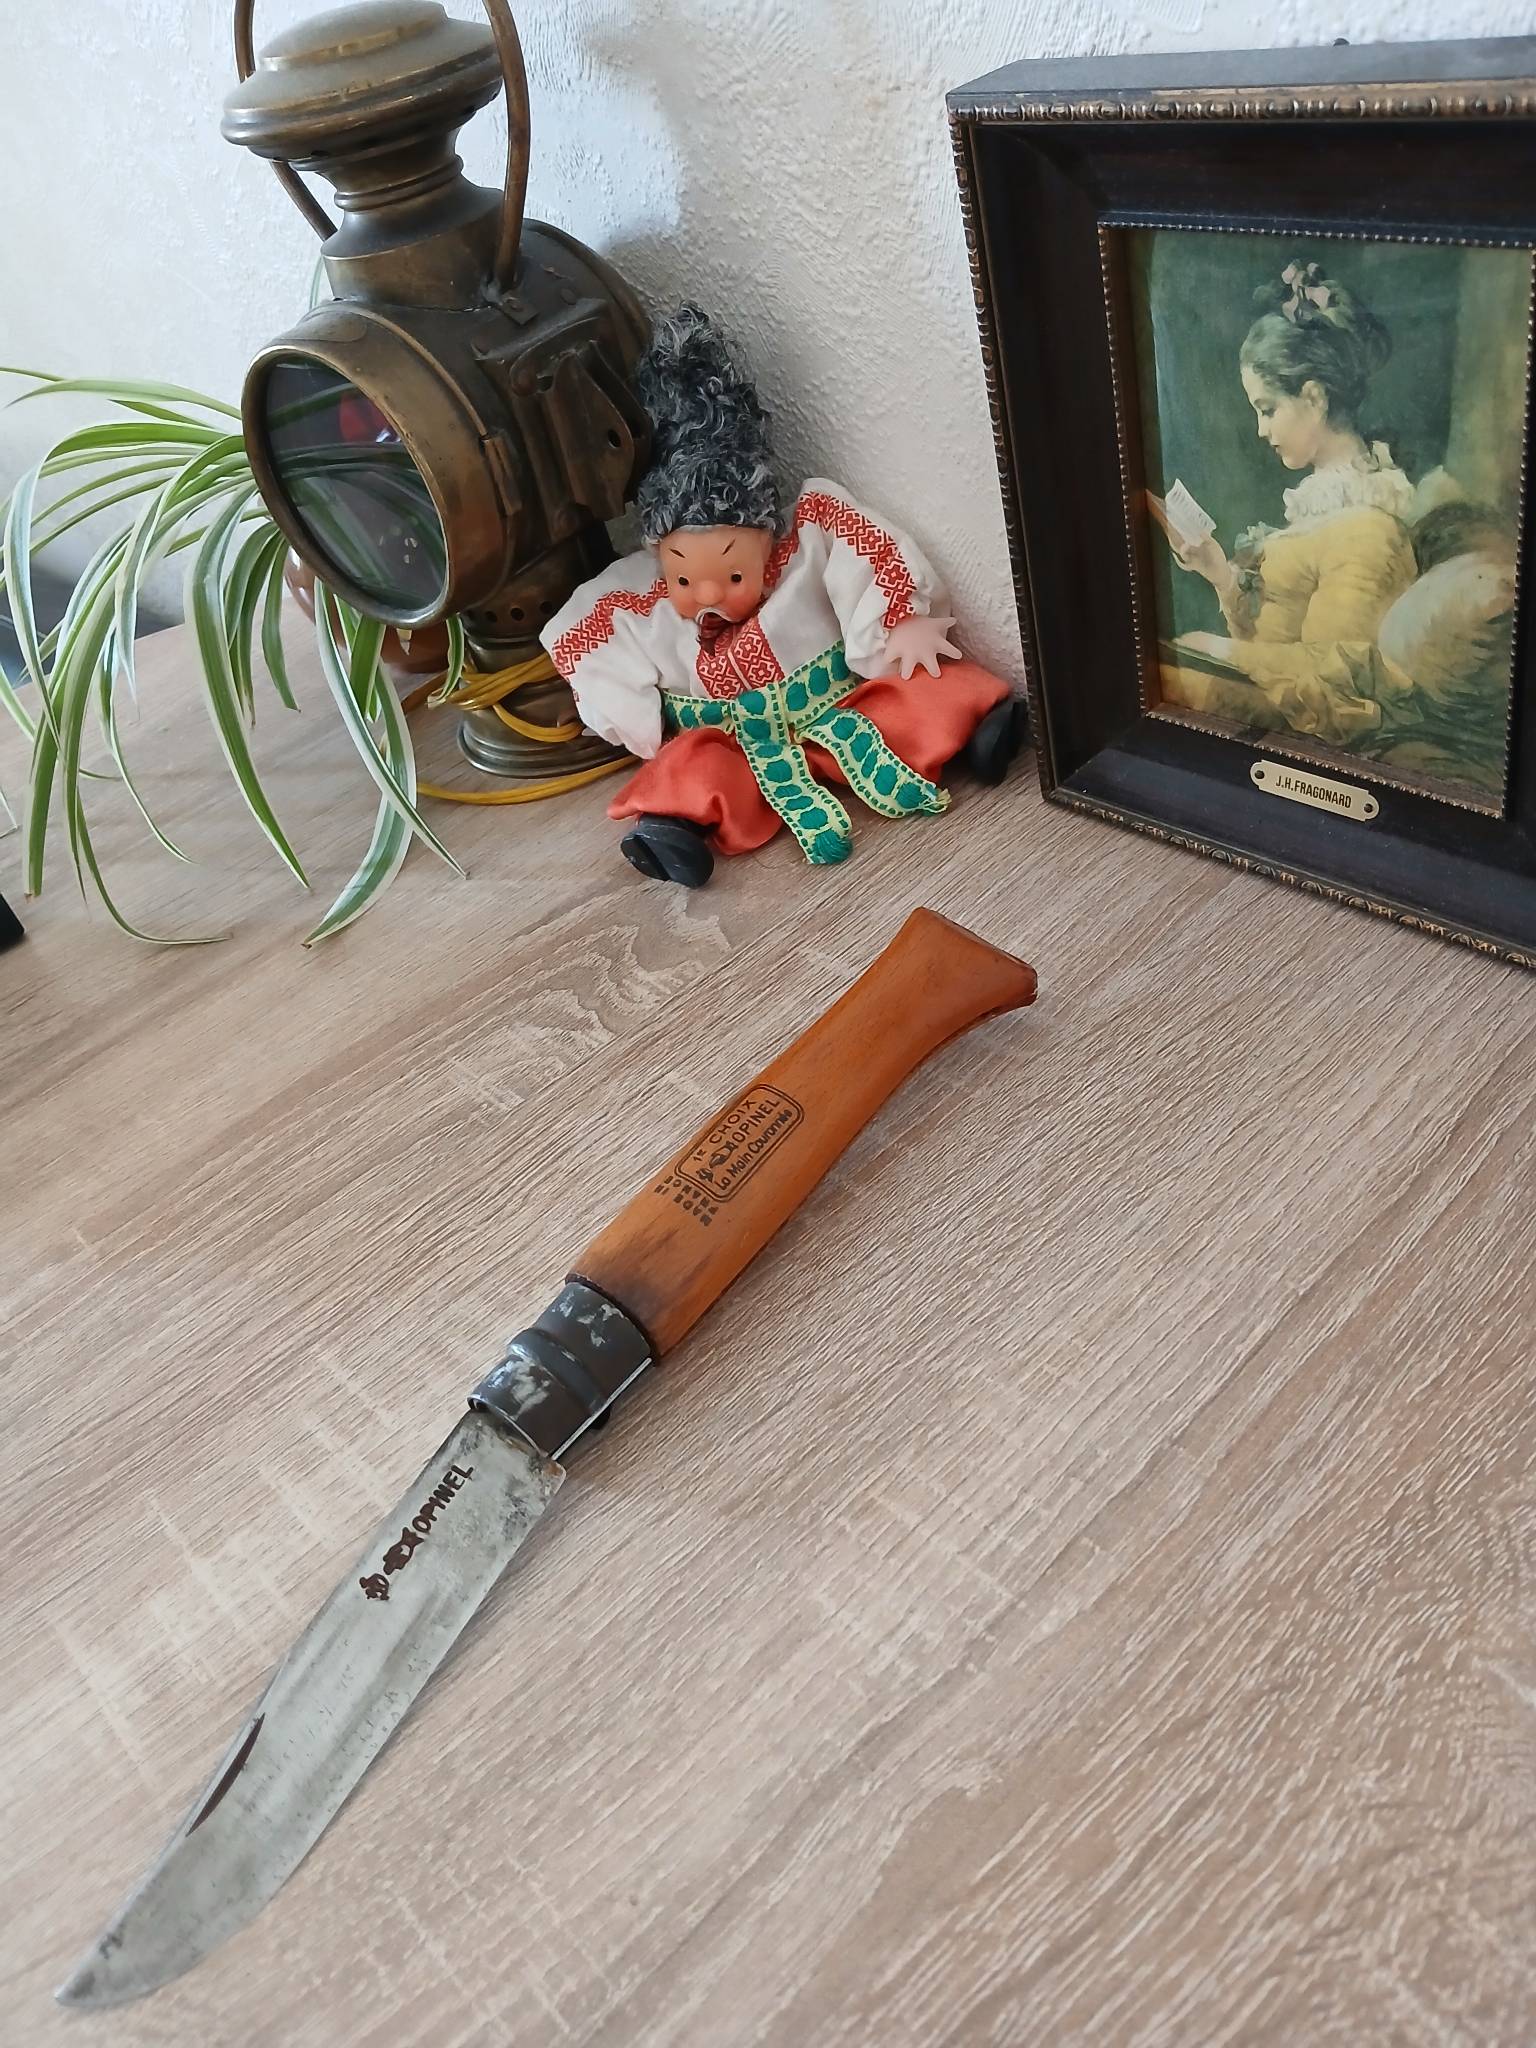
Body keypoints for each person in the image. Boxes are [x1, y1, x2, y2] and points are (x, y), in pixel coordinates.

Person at [542, 306, 1024, 887]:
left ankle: (981, 728)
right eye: (683, 580)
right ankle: (672, 830)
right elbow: (591, 640)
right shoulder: (638, 601)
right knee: (694, 767)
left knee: (914, 694)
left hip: (839, 704)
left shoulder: (807, 542)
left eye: (732, 575)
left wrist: (898, 620)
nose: (708, 595)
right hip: (735, 743)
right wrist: (624, 712)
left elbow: (863, 550)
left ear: (765, 537)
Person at [1152, 259, 1418, 749]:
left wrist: (1219, 652)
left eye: (1267, 409)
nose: (1260, 430)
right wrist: (1220, 573)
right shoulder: (1322, 506)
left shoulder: (1369, 522)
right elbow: (1275, 645)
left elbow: (1336, 684)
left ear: (1314, 398)